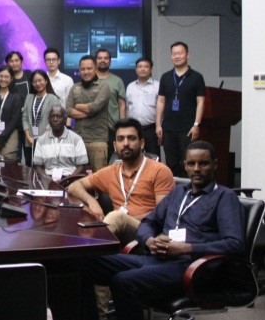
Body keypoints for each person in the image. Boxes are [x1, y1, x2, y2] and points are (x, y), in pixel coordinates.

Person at [82, 141, 244, 320]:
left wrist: (188, 248)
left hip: (190, 268)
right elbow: (149, 222)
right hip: (156, 258)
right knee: (86, 262)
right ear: (185, 166)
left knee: (124, 282)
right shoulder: (178, 193)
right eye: (191, 163)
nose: (196, 169)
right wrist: (149, 239)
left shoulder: (224, 198)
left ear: (215, 164)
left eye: (203, 163)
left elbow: (234, 244)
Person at [67, 118, 176, 244]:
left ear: (142, 143)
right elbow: (74, 186)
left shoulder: (160, 171)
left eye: (131, 138)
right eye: (120, 139)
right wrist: (92, 202)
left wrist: (125, 218)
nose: (126, 143)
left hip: (148, 230)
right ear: (114, 146)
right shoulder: (111, 171)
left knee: (116, 217)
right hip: (117, 229)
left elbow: (161, 215)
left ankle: (89, 248)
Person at [156, 41, 206, 177]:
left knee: (187, 162)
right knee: (171, 163)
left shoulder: (197, 77)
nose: (177, 56)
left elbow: (201, 102)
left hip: (188, 128)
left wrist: (196, 124)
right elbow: (161, 101)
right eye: (174, 54)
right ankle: (173, 189)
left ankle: (188, 188)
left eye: (180, 53)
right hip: (168, 128)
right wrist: (158, 125)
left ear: (187, 55)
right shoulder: (166, 77)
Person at [66, 55, 111, 170]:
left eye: (89, 68)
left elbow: (95, 107)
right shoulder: (75, 88)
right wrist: (89, 113)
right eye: (83, 69)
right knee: (78, 176)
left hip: (97, 141)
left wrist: (77, 106)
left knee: (99, 177)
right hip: (77, 140)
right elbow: (68, 110)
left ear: (95, 68)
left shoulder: (103, 86)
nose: (86, 72)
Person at [31, 105, 88, 180]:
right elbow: (37, 166)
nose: (55, 119)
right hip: (48, 179)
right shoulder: (41, 141)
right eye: (52, 116)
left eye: (59, 117)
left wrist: (69, 180)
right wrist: (48, 180)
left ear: (65, 120)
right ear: (48, 120)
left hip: (70, 178)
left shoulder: (76, 139)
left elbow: (82, 165)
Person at [95, 48, 127, 159]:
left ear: (110, 61)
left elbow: (122, 105)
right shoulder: (89, 80)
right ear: (95, 61)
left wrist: (122, 125)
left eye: (106, 58)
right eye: (100, 58)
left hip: (113, 128)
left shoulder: (117, 81)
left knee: (114, 159)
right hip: (95, 128)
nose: (103, 60)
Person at [125, 57, 160, 157]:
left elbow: (161, 107)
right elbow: (127, 107)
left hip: (151, 128)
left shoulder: (158, 86)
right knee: (133, 156)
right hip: (133, 128)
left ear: (151, 69)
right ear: (136, 69)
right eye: (140, 67)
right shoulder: (130, 86)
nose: (142, 69)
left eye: (146, 66)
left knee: (153, 157)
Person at [22, 69, 61, 153]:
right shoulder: (29, 97)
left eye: (40, 80)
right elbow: (25, 118)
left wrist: (41, 138)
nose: (37, 83)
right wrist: (28, 137)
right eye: (35, 81)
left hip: (47, 141)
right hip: (30, 141)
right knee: (29, 161)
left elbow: (55, 119)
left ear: (46, 81)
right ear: (32, 84)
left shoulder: (53, 99)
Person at [5, 51, 32, 165]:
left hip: (29, 123)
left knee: (30, 157)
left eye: (17, 60)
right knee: (15, 158)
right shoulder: (6, 79)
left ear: (22, 61)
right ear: (7, 63)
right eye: (11, 61)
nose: (14, 63)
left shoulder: (29, 75)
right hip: (13, 124)